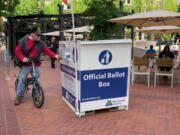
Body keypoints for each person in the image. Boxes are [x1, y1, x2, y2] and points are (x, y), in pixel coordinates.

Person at [14, 27, 59, 105]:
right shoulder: (24, 41)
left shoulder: (40, 42)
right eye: (37, 35)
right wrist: (23, 58)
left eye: (40, 35)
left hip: (36, 64)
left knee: (37, 80)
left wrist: (55, 56)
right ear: (32, 34)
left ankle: (36, 94)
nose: (39, 37)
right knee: (22, 79)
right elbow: (17, 51)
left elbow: (47, 50)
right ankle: (19, 96)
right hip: (26, 64)